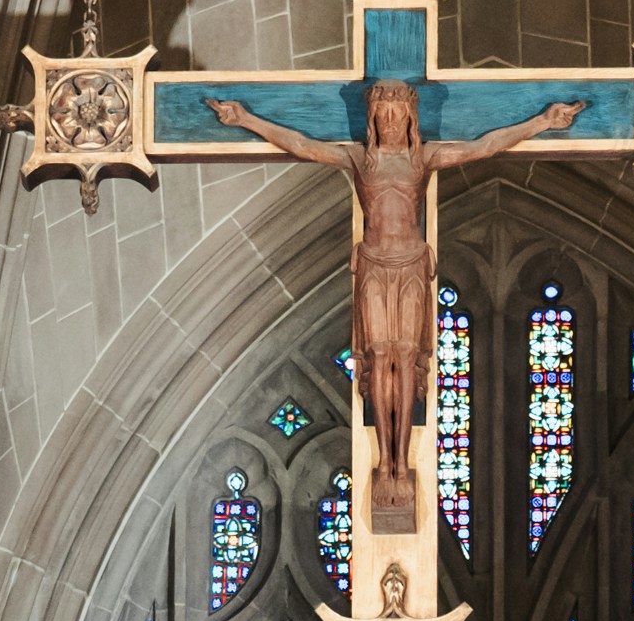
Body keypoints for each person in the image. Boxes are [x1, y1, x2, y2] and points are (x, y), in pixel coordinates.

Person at [207, 81, 582, 504]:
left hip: (410, 267)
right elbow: (300, 143)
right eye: (382, 112)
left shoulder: (422, 159)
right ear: (372, 118)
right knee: (380, 357)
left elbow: (486, 146)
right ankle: (384, 460)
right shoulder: (358, 160)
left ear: (409, 119)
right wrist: (245, 119)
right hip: (372, 266)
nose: (389, 119)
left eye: (396, 112)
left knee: (405, 360)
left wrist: (543, 122)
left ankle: (400, 463)